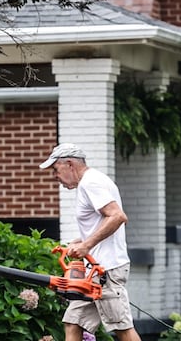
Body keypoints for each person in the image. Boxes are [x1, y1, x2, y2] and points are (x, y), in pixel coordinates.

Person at [40, 143, 142, 341]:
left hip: (106, 270)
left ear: (69, 164)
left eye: (55, 169)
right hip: (93, 272)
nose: (55, 176)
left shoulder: (91, 183)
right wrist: (78, 242)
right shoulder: (90, 183)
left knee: (121, 327)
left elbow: (117, 217)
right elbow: (102, 223)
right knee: (73, 322)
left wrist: (86, 246)